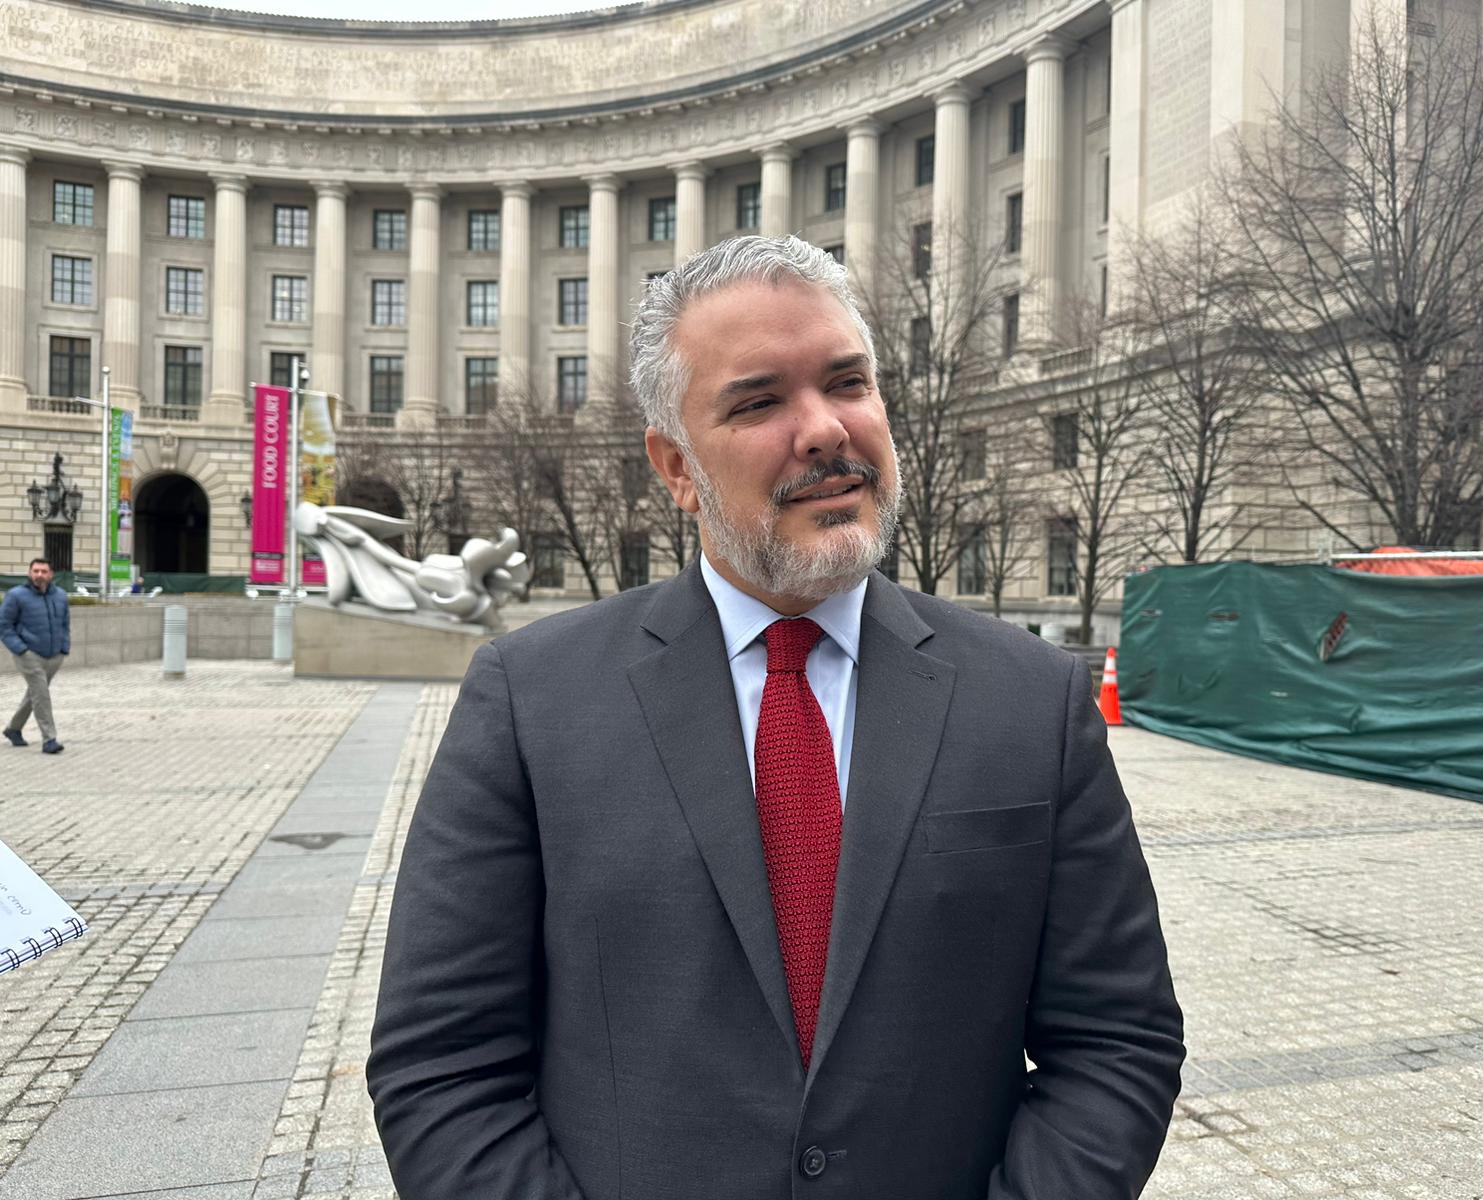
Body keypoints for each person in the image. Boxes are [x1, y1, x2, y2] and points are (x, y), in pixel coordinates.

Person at [368, 236, 1185, 1199]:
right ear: (677, 467)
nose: (826, 429)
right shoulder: (529, 698)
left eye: (848, 383)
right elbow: (442, 1066)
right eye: (759, 402)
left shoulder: (1033, 699)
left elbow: (1116, 1042)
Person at [2, 557, 70, 754]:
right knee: (42, 694)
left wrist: (64, 648)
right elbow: (4, 626)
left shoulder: (61, 596)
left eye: (44, 571)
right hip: (28, 654)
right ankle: (49, 739)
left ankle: (14, 729)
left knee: (35, 693)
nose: (39, 575)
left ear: (51, 574)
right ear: (29, 573)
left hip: (54, 656)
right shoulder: (16, 595)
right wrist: (21, 649)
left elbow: (65, 624)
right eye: (36, 571)